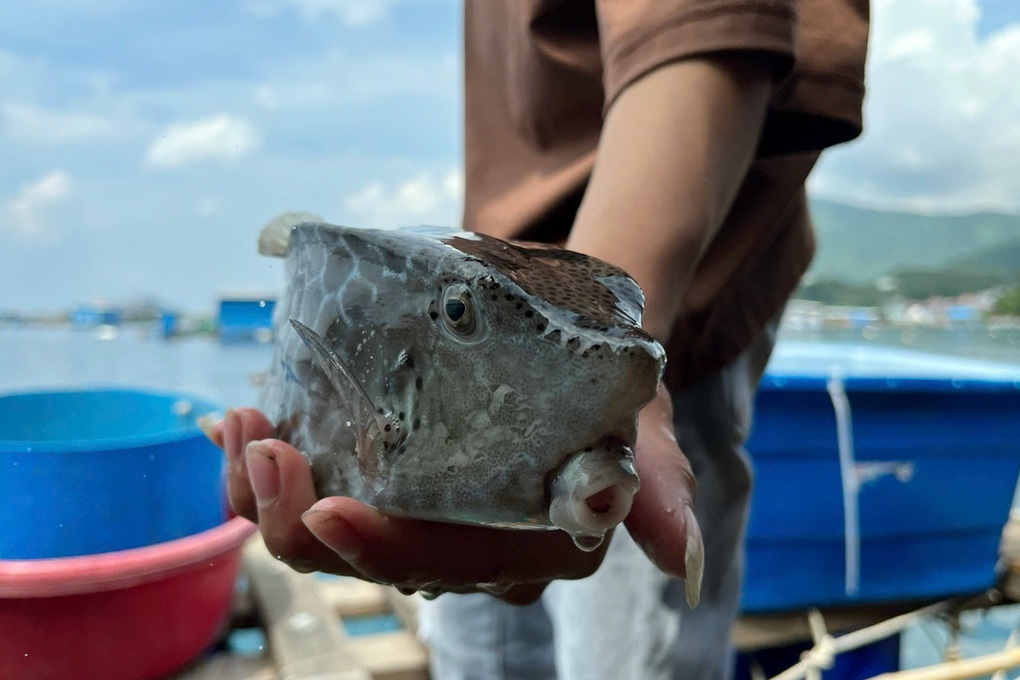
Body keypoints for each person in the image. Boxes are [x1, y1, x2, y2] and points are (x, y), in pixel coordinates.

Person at [208, 1, 869, 678]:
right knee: (477, 651)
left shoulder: (611, 367)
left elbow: (711, 31)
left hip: (684, 315)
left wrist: (623, 338)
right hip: (501, 268)